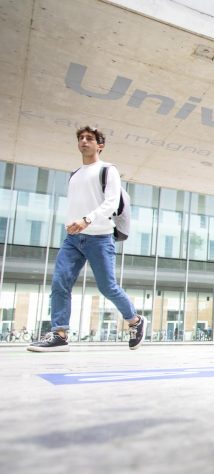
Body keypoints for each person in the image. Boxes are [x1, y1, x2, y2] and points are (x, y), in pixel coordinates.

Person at [28, 126, 146, 352]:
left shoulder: (108, 170)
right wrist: (73, 223)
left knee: (107, 287)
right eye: (81, 138)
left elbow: (111, 203)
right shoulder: (75, 174)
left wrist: (87, 219)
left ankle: (135, 320)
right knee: (60, 283)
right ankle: (59, 334)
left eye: (89, 138)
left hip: (99, 237)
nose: (84, 141)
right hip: (73, 238)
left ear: (100, 145)